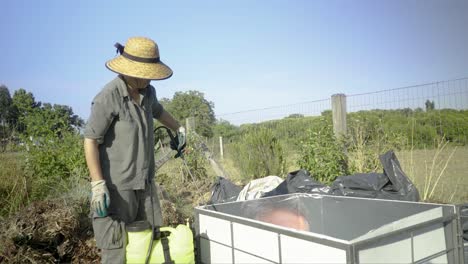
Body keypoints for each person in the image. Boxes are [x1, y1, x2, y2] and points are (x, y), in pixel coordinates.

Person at [83, 36, 185, 263]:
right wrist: (98, 184)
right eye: (145, 73)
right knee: (117, 252)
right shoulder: (109, 96)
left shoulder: (149, 93)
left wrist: (179, 129)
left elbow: (158, 111)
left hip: (145, 186)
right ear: (129, 70)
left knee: (148, 246)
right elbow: (90, 140)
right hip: (117, 190)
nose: (149, 78)